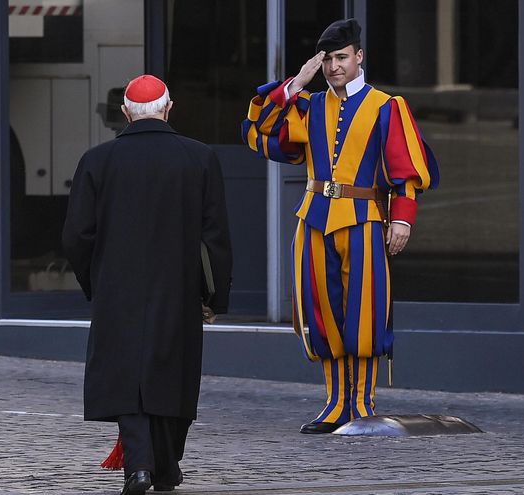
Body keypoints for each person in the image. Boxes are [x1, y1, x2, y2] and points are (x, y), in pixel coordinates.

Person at [241, 19, 439, 434]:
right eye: (328, 60)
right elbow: (260, 130)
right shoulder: (308, 105)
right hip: (313, 217)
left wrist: (402, 218)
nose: (334, 67)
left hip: (365, 217)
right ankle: (334, 403)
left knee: (364, 313)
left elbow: (405, 170)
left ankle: (363, 403)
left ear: (359, 56)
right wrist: (297, 83)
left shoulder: (387, 105)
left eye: (341, 57)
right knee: (321, 311)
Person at [62, 74, 233, 494]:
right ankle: (165, 464)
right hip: (178, 289)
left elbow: (76, 236)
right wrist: (214, 295)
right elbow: (215, 237)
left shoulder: (97, 160)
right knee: (172, 377)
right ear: (168, 108)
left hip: (118, 290)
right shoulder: (200, 157)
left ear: (125, 113)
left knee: (128, 379)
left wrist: (94, 281)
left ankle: (141, 467)